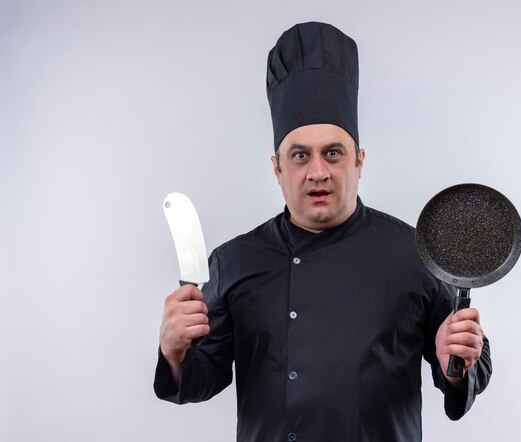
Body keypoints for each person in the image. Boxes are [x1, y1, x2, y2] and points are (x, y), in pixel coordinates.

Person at [154, 22, 492, 442]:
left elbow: (467, 368)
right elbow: (201, 378)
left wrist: (457, 365)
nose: (318, 172)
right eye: (299, 156)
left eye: (333, 153)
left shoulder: (414, 253)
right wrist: (173, 351)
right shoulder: (234, 261)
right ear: (277, 168)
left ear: (359, 162)